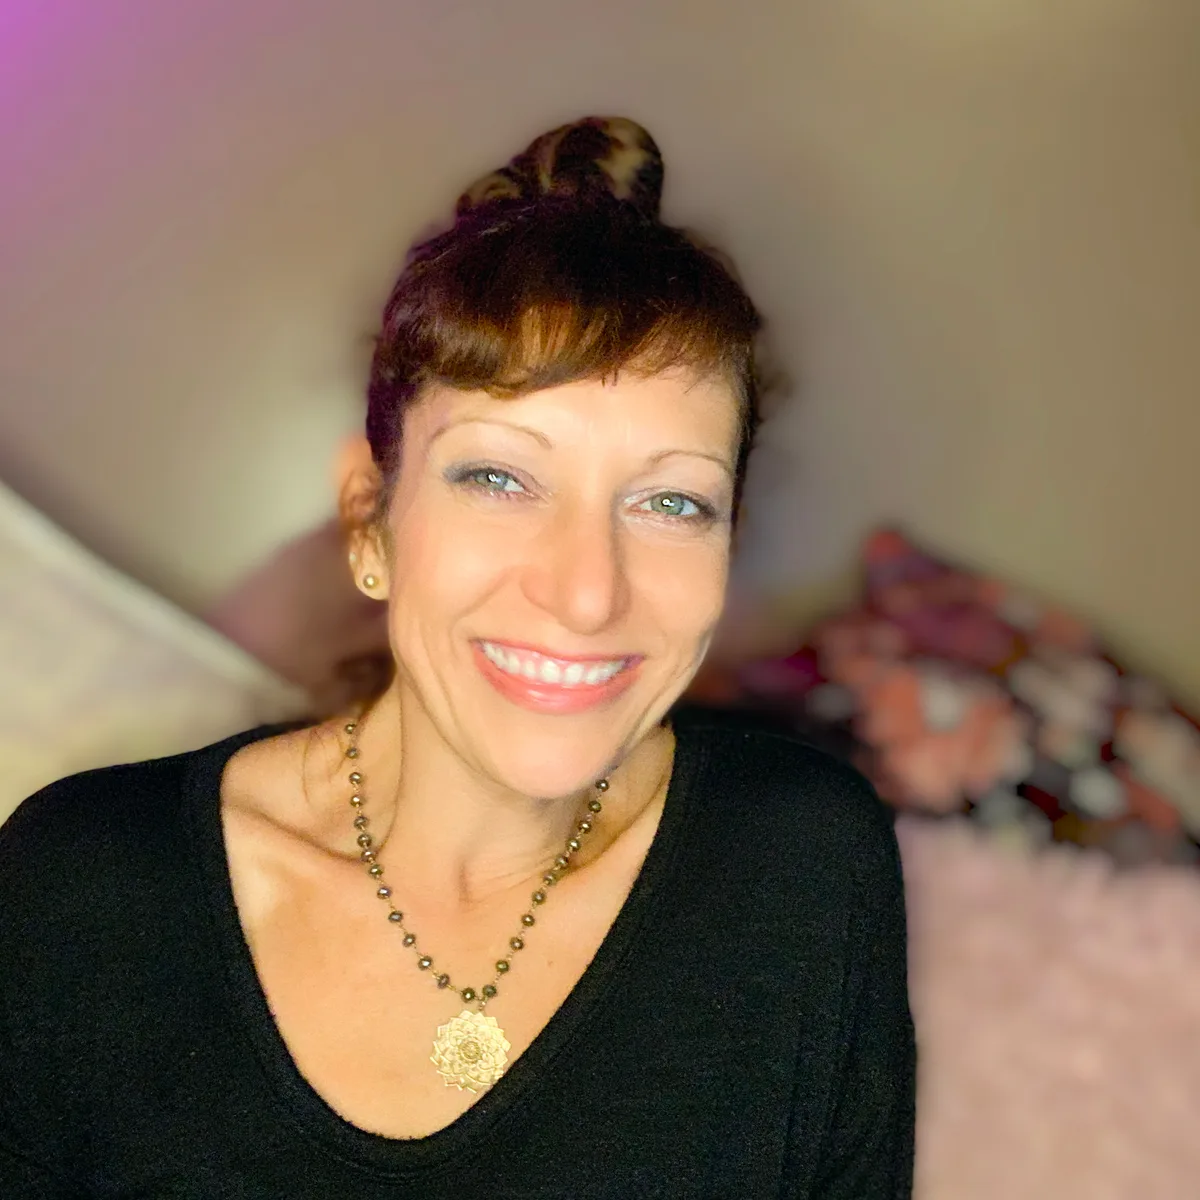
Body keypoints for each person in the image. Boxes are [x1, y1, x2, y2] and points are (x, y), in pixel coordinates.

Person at [0, 117, 915, 1198]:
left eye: (671, 502)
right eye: (499, 479)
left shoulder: (803, 867)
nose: (588, 593)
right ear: (369, 520)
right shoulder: (82, 890)